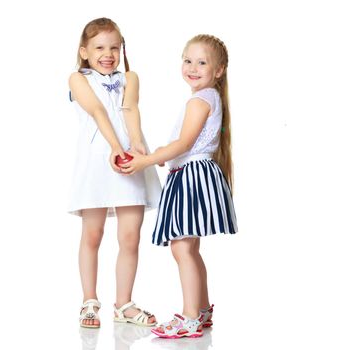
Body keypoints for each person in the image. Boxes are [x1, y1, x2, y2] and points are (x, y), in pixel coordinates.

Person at [121, 34, 238, 338]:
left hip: (192, 176)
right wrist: (164, 155)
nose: (193, 67)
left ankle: (190, 317)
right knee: (190, 247)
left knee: (182, 246)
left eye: (202, 62)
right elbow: (185, 144)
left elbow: (185, 143)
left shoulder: (200, 100)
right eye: (188, 60)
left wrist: (149, 160)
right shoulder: (208, 97)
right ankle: (200, 309)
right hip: (193, 172)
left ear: (219, 70)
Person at [67, 17, 161, 328]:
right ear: (84, 51)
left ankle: (124, 304)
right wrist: (114, 147)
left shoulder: (130, 78)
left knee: (130, 236)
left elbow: (130, 109)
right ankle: (89, 301)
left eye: (114, 47)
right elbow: (97, 110)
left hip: (129, 160)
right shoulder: (77, 79)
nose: (108, 54)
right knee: (92, 234)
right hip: (97, 160)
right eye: (99, 48)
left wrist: (134, 145)